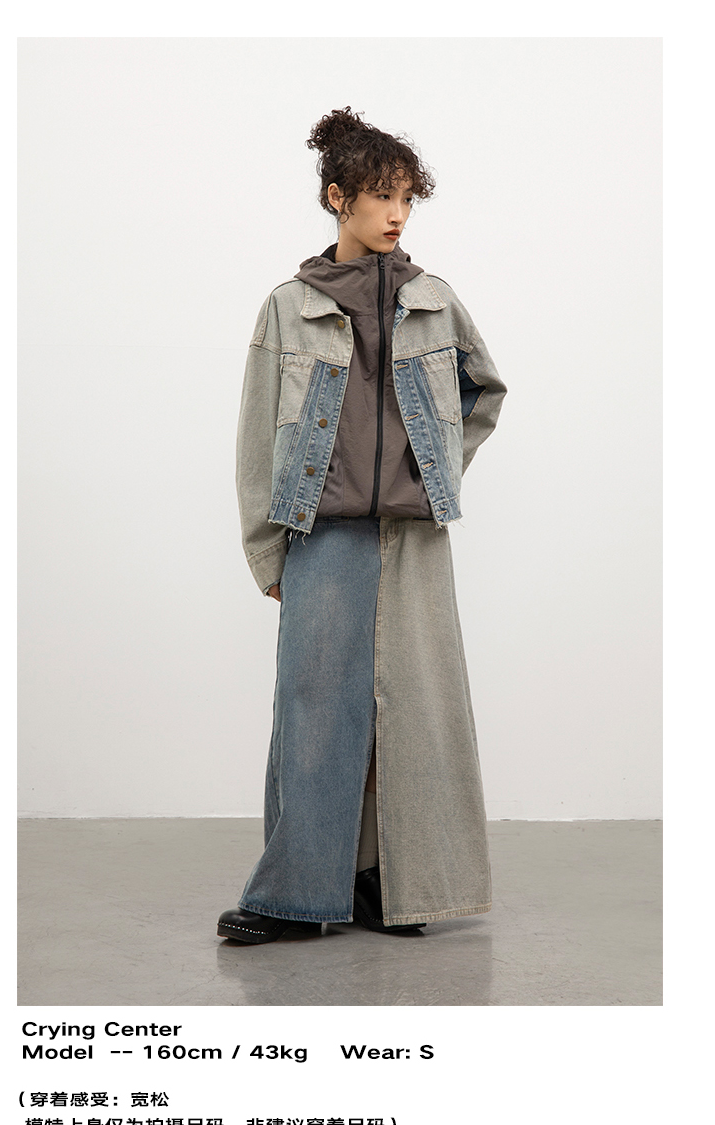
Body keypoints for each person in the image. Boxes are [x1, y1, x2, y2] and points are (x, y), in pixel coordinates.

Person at [217, 106, 507, 945]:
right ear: (337, 198)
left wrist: (436, 469)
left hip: (415, 539)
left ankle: (392, 885)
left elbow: (485, 391)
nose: (397, 214)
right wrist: (266, 551)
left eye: (407, 198)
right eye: (381, 195)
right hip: (324, 535)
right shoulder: (290, 307)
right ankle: (298, 897)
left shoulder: (434, 301)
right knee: (314, 712)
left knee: (412, 714)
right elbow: (256, 437)